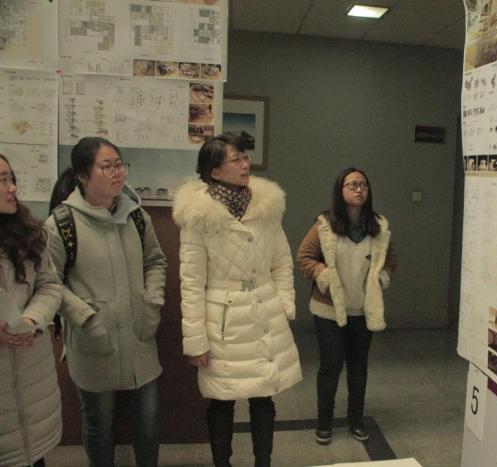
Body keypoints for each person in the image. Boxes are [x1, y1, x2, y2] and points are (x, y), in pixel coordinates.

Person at [172, 134, 301, 467]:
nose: (245, 165)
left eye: (245, 157)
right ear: (215, 171)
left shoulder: (266, 205)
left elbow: (282, 261)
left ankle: (263, 463)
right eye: (236, 159)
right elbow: (191, 282)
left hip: (263, 311)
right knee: (221, 400)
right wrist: (195, 340)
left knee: (263, 397)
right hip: (223, 319)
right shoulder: (198, 215)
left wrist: (284, 304)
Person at [45, 137, 167, 467]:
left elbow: (155, 262)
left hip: (140, 336)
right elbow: (49, 284)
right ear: (83, 176)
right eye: (107, 166)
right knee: (99, 424)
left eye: (120, 165)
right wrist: (86, 317)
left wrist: (152, 301)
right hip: (93, 341)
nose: (118, 173)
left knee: (149, 423)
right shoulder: (61, 224)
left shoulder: (137, 216)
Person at [297, 167, 398, 446]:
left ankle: (356, 421)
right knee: (331, 366)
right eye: (352, 184)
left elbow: (390, 260)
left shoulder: (379, 226)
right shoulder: (324, 224)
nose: (359, 189)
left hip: (363, 311)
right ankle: (324, 422)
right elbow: (304, 256)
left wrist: (381, 278)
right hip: (329, 310)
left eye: (363, 184)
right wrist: (323, 275)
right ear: (340, 190)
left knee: (358, 367)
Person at [0, 155, 63, 467]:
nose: (12, 188)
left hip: (30, 376)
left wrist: (31, 319)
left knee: (31, 454)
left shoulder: (30, 233)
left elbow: (50, 285)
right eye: (2, 181)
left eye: (12, 179)